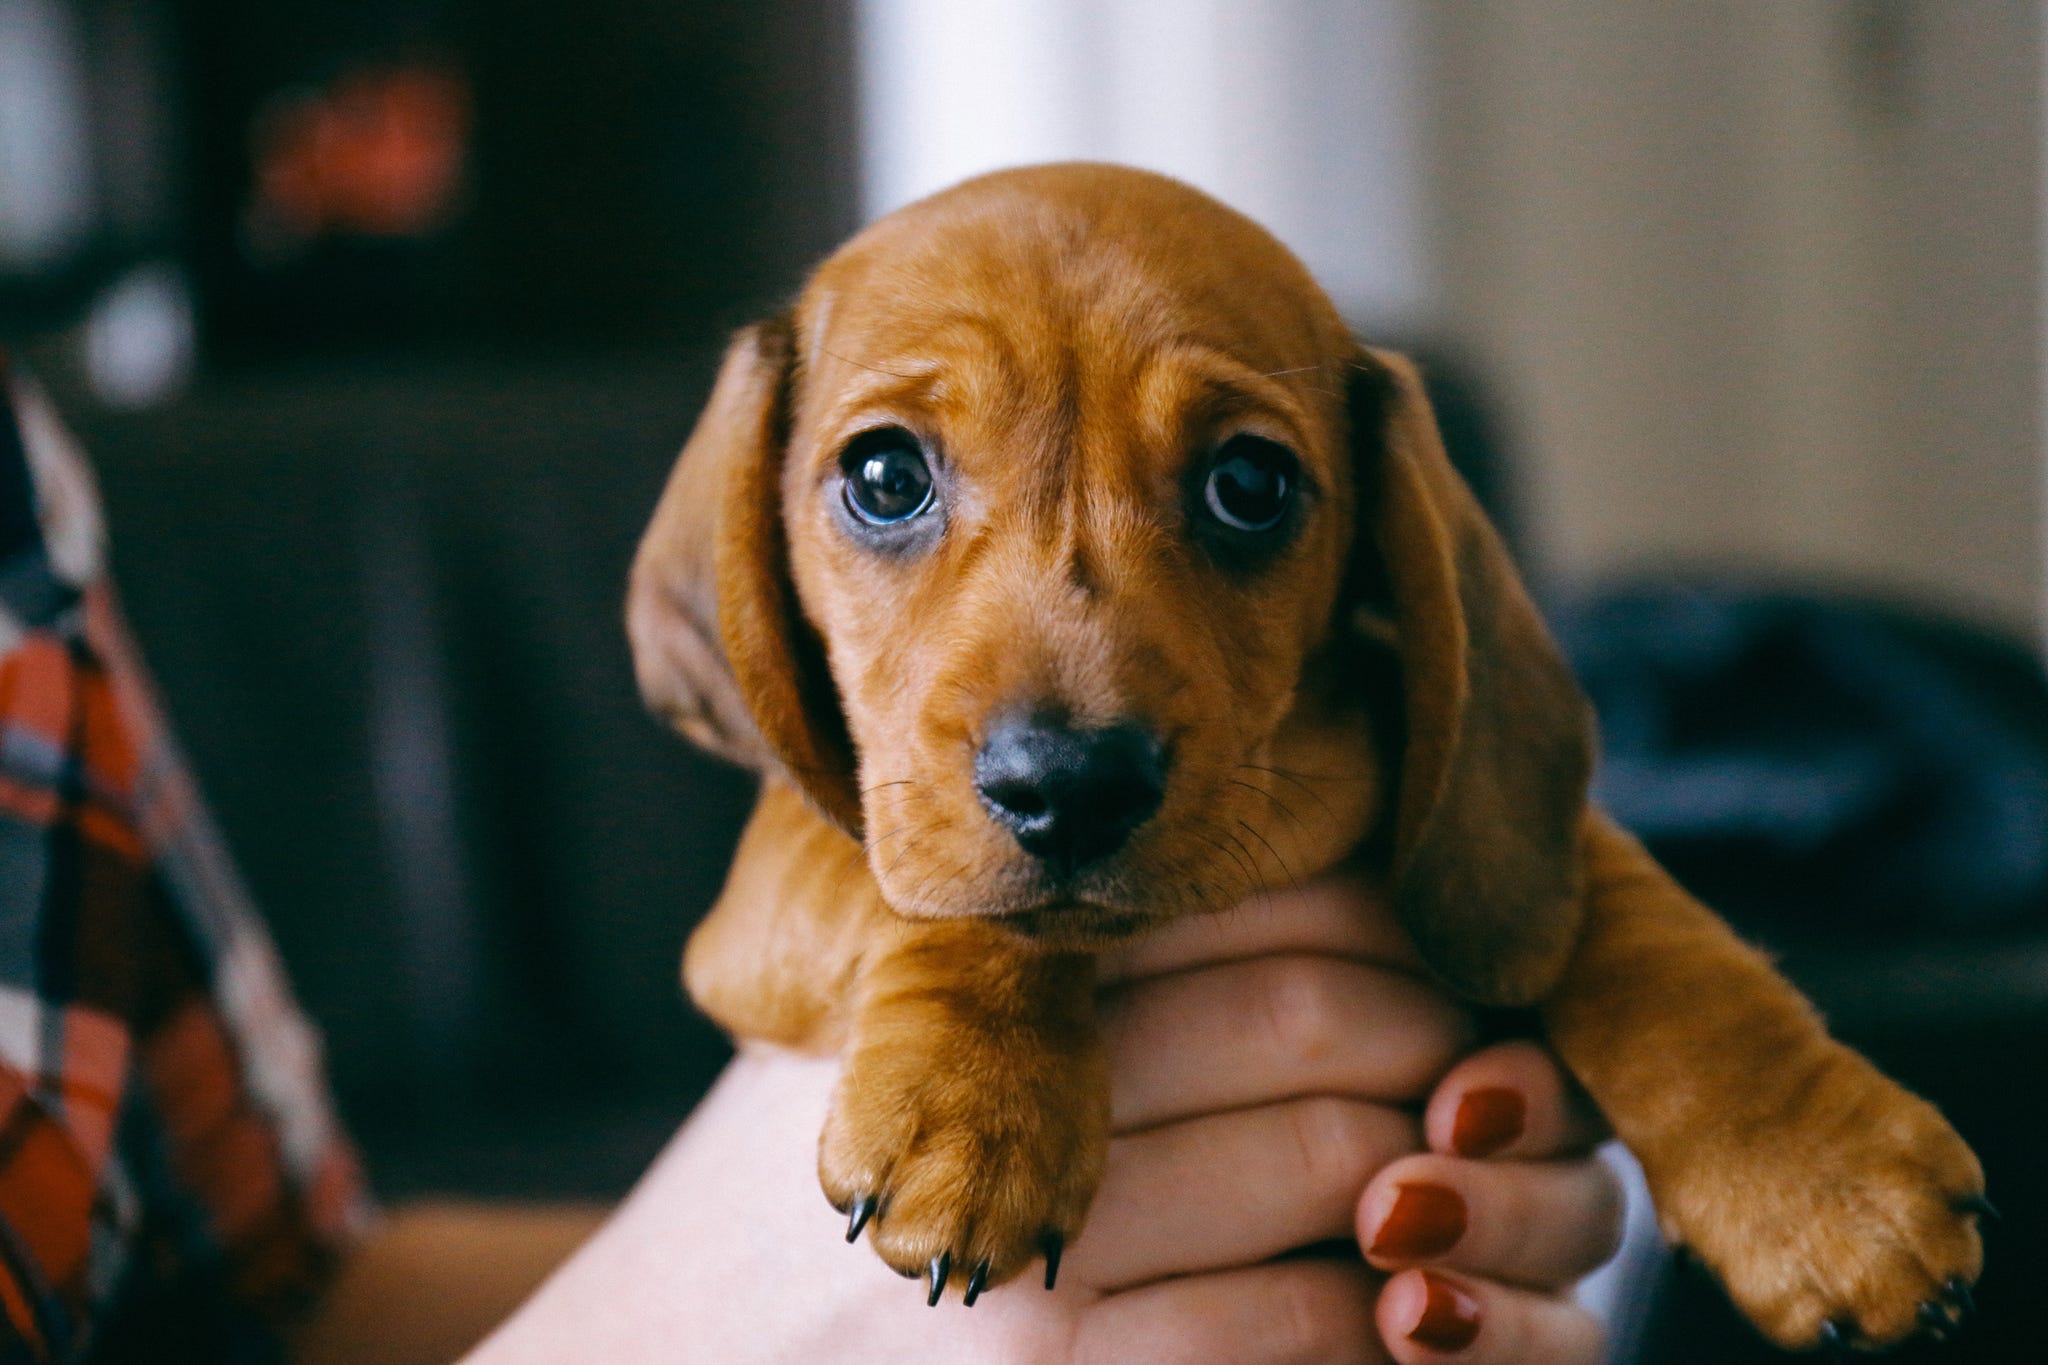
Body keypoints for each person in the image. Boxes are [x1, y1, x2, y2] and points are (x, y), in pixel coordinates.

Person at [0, 356, 1626, 1363]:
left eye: (1247, 488)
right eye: (890, 482)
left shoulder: (19, 485)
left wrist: (1180, 1265)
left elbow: (273, 1308)